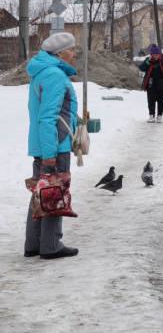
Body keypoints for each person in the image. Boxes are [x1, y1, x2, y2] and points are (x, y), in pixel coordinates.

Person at [25, 32, 79, 260]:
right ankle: (52, 246)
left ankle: (34, 244)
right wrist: (50, 153)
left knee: (41, 194)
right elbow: (48, 117)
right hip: (55, 147)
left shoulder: (42, 73)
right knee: (54, 194)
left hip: (46, 144)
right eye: (72, 50)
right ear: (60, 53)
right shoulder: (56, 76)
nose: (75, 54)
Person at [139, 44, 163, 123]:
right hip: (151, 83)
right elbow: (142, 68)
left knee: (161, 100)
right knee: (151, 100)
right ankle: (151, 116)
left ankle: (159, 115)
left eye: (157, 55)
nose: (155, 56)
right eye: (154, 55)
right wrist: (148, 62)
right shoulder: (148, 60)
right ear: (151, 55)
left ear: (159, 53)